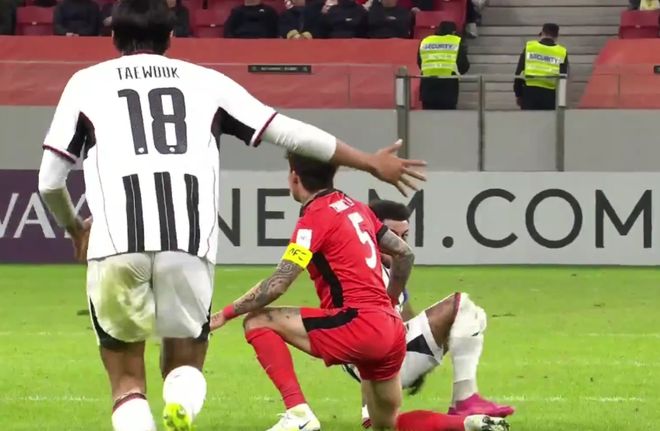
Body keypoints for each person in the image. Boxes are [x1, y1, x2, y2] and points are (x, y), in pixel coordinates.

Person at [36, 0, 427, 429]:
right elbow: (289, 132)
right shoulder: (206, 82)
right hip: (188, 245)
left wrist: (74, 228)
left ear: (112, 36)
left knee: (127, 380)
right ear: (171, 37)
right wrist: (369, 162)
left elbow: (50, 183)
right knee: (184, 362)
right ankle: (181, 400)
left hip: (115, 242)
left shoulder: (85, 83)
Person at [209, 154, 510, 431]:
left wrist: (226, 314)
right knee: (385, 424)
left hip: (356, 326)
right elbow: (405, 254)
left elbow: (278, 284)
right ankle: (468, 424)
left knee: (257, 321)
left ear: (294, 177)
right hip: (390, 331)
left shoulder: (313, 219)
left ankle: (298, 413)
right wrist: (389, 301)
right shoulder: (357, 208)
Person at [343, 200, 515, 428]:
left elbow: (402, 314)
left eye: (404, 236)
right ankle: (464, 401)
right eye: (392, 236)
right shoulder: (362, 270)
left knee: (475, 316)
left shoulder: (391, 270)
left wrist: (418, 360)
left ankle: (460, 406)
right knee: (462, 306)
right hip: (370, 358)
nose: (399, 243)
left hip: (384, 353)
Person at [513, 23, 569, 111]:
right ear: (557, 36)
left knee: (529, 119)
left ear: (542, 33)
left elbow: (518, 73)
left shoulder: (530, 47)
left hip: (529, 93)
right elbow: (563, 78)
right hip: (550, 95)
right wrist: (561, 101)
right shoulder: (561, 52)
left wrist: (518, 94)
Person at [418, 21, 470, 110]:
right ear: (453, 32)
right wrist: (457, 72)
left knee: (428, 116)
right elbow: (464, 65)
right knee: (446, 116)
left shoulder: (426, 41)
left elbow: (420, 62)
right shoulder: (456, 41)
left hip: (427, 85)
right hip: (448, 86)